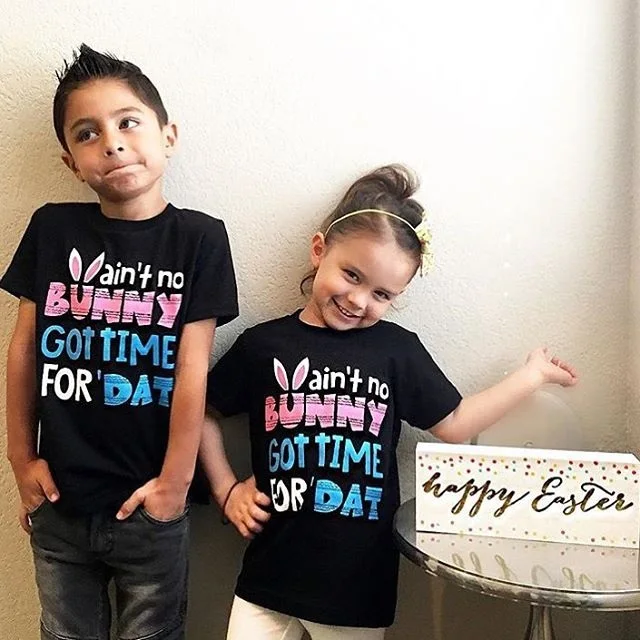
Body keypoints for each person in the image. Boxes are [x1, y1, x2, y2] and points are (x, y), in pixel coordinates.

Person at [199, 164, 578, 640]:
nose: (359, 301)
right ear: (319, 250)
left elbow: (456, 423)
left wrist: (531, 376)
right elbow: (202, 412)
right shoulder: (263, 346)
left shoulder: (397, 351)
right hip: (267, 578)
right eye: (351, 275)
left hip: (357, 587)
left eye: (381, 293)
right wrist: (226, 489)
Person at [1, 44, 238, 640]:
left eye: (128, 122)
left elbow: (192, 371)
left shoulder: (200, 239)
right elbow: (24, 350)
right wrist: (20, 459)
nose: (111, 143)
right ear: (70, 161)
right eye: (88, 133)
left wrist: (176, 484)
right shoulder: (52, 228)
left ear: (168, 135)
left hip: (150, 504)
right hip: (60, 501)